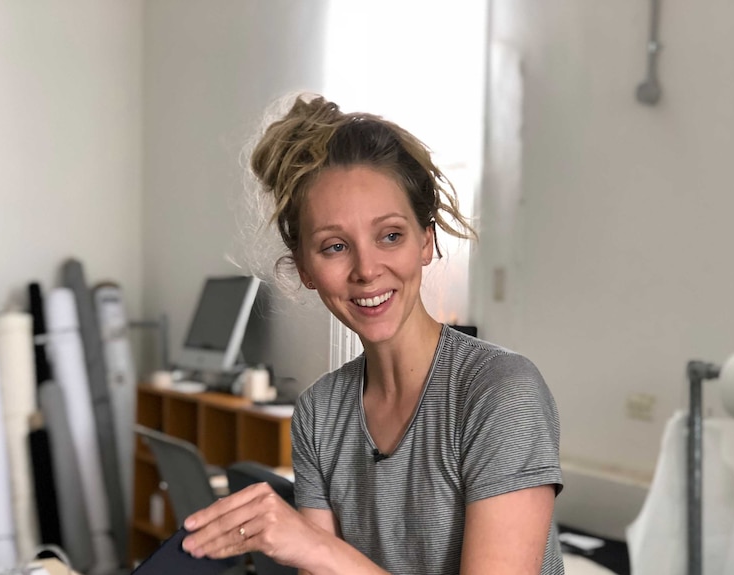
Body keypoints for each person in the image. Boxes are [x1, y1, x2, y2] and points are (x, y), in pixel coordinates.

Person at [182, 94, 564, 574]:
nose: (366, 269)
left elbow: (323, 559)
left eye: (390, 235)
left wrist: (316, 548)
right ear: (304, 267)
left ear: (426, 241)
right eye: (335, 246)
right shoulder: (320, 413)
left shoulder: (501, 392)